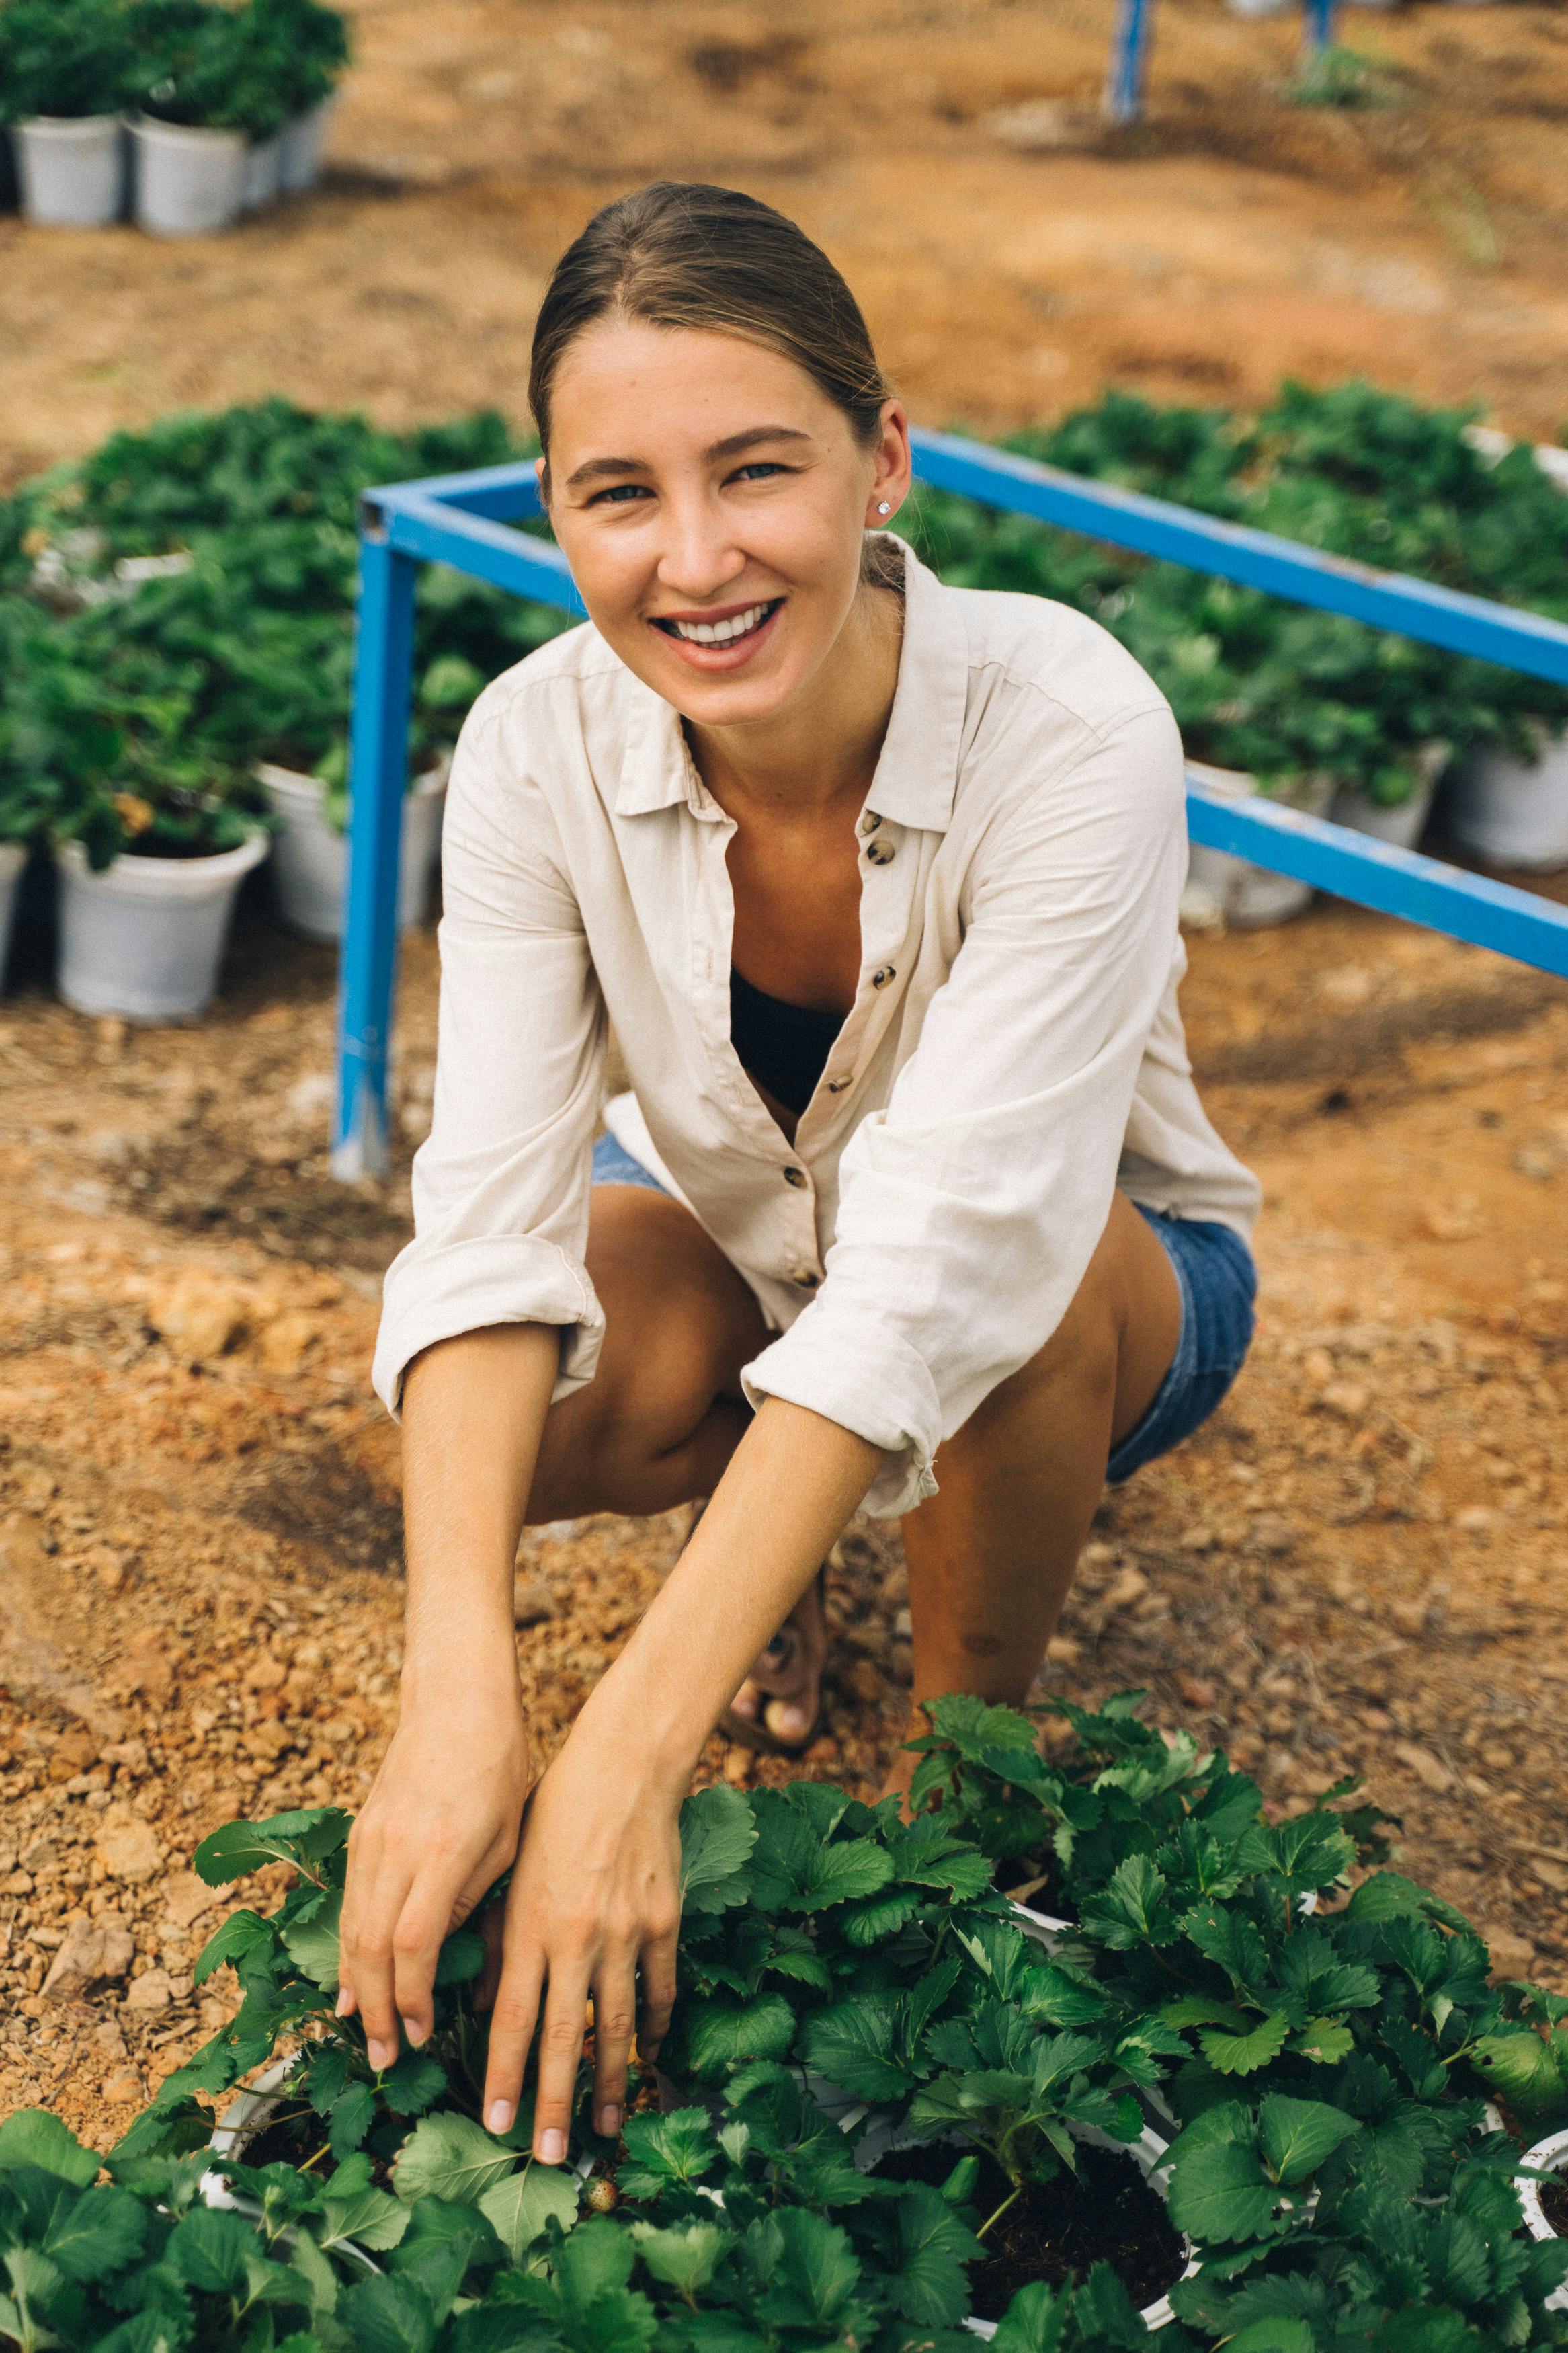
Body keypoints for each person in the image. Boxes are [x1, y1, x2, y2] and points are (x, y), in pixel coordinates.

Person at [337, 180, 1260, 2170]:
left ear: (881, 459)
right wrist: (461, 1695)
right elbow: (486, 1227)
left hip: (1106, 1288)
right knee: (527, 1387)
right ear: (555, 510)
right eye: (620, 494)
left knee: (1010, 1304)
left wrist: (625, 1751)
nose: (694, 560)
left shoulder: (1068, 724)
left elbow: (946, 1266)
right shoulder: (534, 748)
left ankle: (956, 1780)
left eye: (756, 469)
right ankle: (774, 1585)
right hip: (766, 1249)